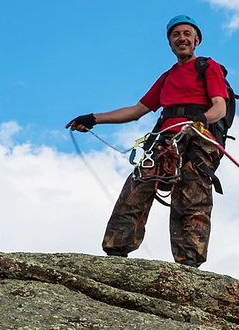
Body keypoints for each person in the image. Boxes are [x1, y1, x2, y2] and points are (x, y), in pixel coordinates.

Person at [66, 14, 228, 267]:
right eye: (176, 35)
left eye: (187, 34)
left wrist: (198, 121)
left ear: (196, 40)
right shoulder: (166, 78)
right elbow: (136, 110)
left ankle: (189, 263)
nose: (181, 38)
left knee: (192, 197)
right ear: (170, 43)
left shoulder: (208, 67)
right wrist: (94, 118)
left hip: (197, 139)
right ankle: (117, 252)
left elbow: (220, 107)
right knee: (136, 190)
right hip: (164, 141)